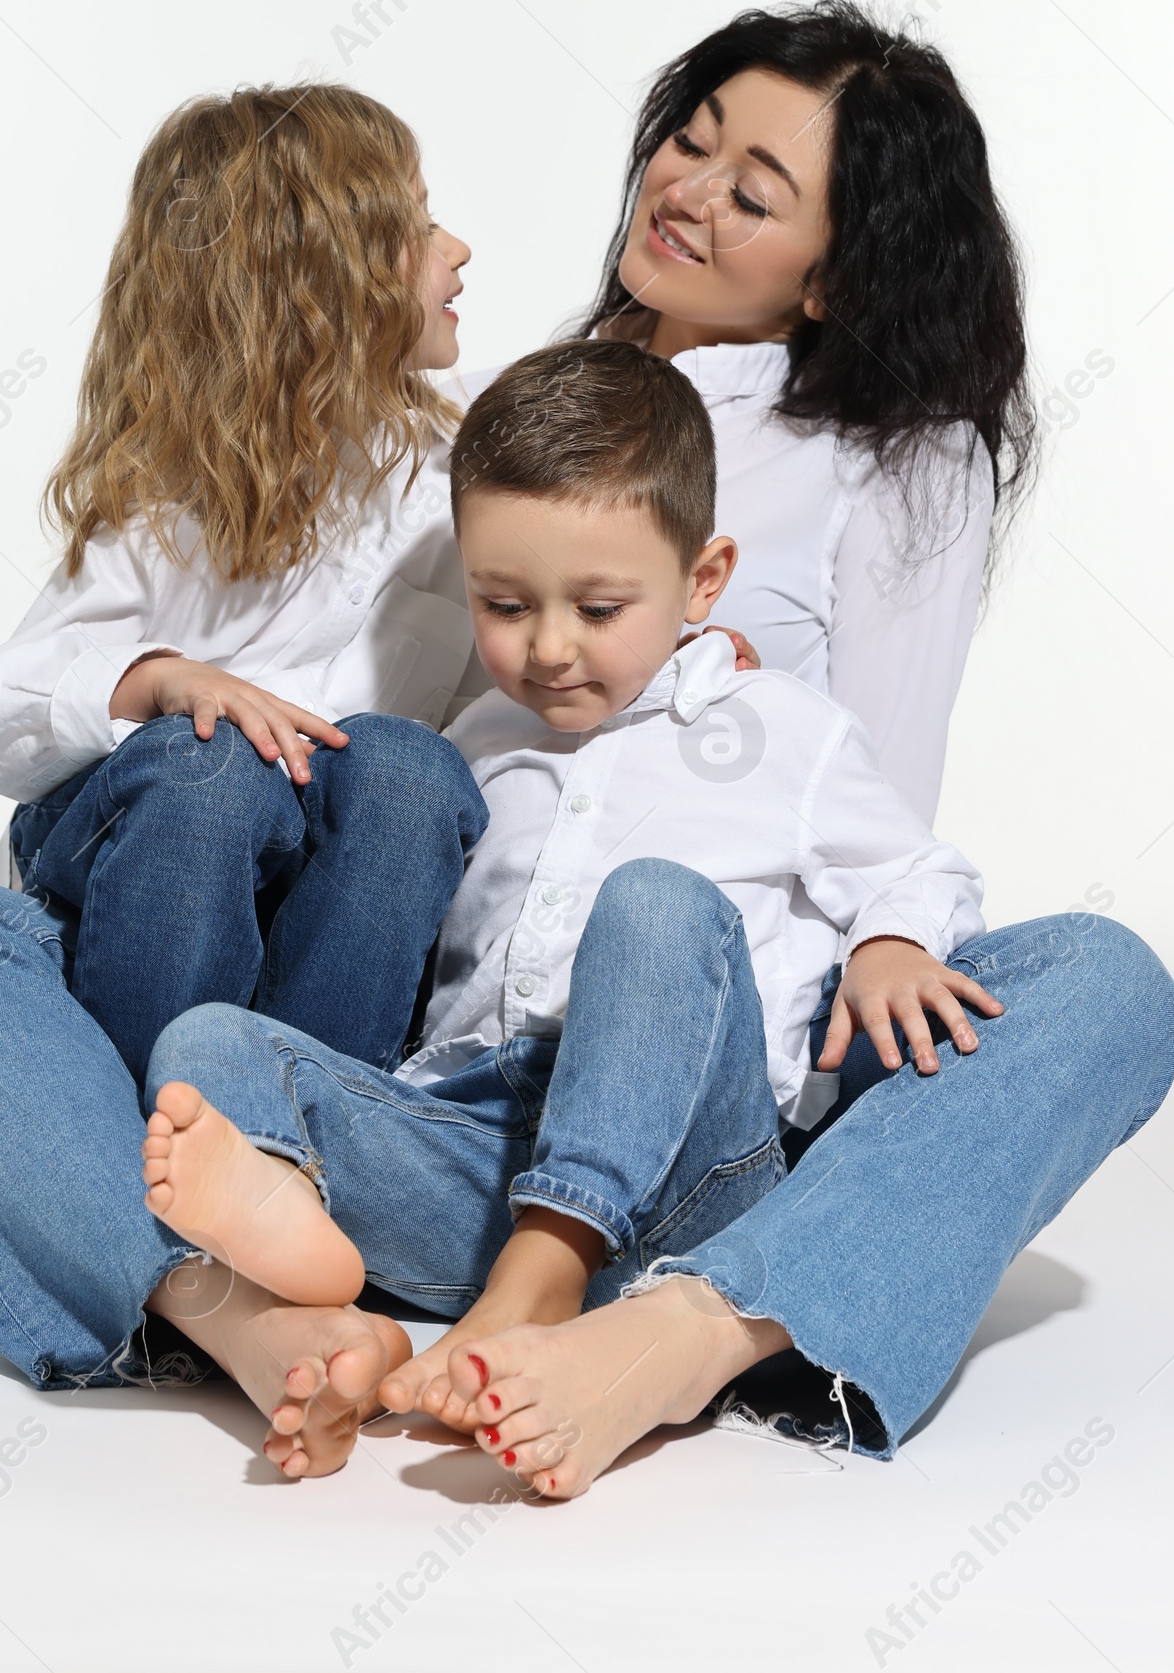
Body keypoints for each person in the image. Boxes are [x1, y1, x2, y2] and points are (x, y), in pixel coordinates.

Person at [132, 342, 1009, 1479]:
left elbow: (921, 865)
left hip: (695, 1166)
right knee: (204, 1048)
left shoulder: (781, 730)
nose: (547, 647)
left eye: (598, 607)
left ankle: (547, 1269)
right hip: (483, 1159)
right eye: (504, 604)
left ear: (703, 580)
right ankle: (313, 1240)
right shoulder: (479, 747)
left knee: (654, 907)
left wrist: (890, 938)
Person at [0, 82, 489, 1083]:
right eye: (417, 226)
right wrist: (160, 681)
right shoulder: (175, 490)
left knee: (411, 770)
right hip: (141, 871)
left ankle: (294, 1148)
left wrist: (681, 656)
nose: (457, 250)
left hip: (312, 907)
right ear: (327, 280)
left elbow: (526, 682)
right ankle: (146, 1146)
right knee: (213, 767)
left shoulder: (464, 474)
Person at [578, 1, 1037, 822]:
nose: (683, 192)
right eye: (690, 140)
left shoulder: (903, 461)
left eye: (749, 197)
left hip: (710, 924)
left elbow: (881, 796)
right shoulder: (505, 397)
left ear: (836, 281)